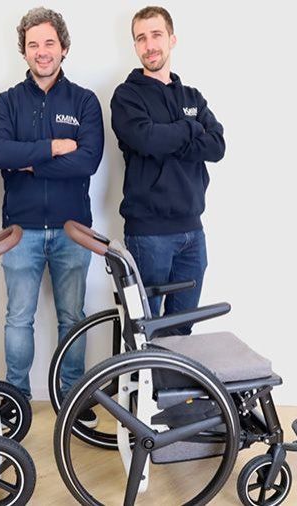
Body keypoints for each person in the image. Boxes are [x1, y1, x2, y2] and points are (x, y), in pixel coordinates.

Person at [0, 7, 103, 425]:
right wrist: (54, 147)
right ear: (24, 51)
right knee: (18, 318)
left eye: (49, 42)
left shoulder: (84, 101)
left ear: (63, 48)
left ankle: (72, 397)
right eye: (33, 44)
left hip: (74, 230)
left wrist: (28, 161)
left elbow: (88, 161)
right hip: (21, 231)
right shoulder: (7, 102)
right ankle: (16, 397)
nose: (42, 51)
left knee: (73, 318)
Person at [110, 6, 225, 334]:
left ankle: (172, 373)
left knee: (182, 332)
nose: (149, 45)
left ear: (172, 39)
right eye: (141, 38)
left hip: (193, 233)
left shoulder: (192, 97)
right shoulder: (127, 97)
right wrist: (191, 129)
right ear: (135, 46)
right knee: (143, 332)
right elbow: (146, 139)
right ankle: (141, 373)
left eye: (156, 35)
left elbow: (217, 146)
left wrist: (170, 137)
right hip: (149, 234)